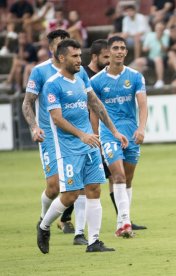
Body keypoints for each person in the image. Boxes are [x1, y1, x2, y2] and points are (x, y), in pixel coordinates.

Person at [36, 39, 128, 254]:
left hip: (90, 144)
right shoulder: (52, 84)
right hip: (68, 147)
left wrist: (114, 132)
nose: (80, 60)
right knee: (70, 195)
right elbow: (57, 119)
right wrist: (82, 135)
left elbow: (95, 103)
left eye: (80, 55)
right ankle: (44, 225)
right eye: (75, 56)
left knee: (95, 189)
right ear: (62, 58)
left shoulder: (82, 77)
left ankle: (94, 241)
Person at [22, 30, 88, 246]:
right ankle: (44, 218)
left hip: (74, 133)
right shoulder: (40, 72)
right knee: (53, 186)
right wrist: (34, 127)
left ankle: (79, 231)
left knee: (80, 185)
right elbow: (27, 102)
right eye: (60, 45)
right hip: (50, 136)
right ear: (53, 48)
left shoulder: (78, 72)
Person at [86, 38, 147, 231]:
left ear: (126, 52)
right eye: (115, 48)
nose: (119, 51)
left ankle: (122, 220)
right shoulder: (95, 81)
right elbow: (94, 111)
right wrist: (95, 136)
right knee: (118, 176)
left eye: (122, 48)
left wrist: (142, 128)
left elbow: (143, 104)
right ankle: (126, 222)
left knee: (128, 179)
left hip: (131, 133)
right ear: (108, 52)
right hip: (108, 134)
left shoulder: (135, 77)